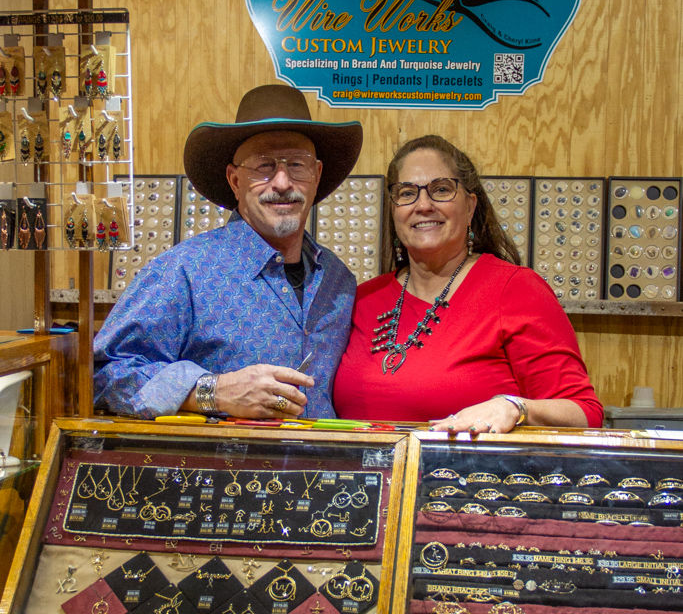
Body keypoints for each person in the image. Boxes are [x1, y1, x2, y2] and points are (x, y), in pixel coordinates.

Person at [94, 84, 363, 420]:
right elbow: (108, 374)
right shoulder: (184, 272)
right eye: (264, 166)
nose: (282, 183)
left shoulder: (338, 281)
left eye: (297, 164)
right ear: (235, 181)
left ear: (317, 175)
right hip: (223, 457)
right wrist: (213, 391)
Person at [333, 135, 603, 432]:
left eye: (441, 189)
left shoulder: (516, 290)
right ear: (394, 210)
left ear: (470, 206)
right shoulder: (363, 298)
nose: (423, 205)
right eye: (407, 193)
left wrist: (513, 407)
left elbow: (585, 413)